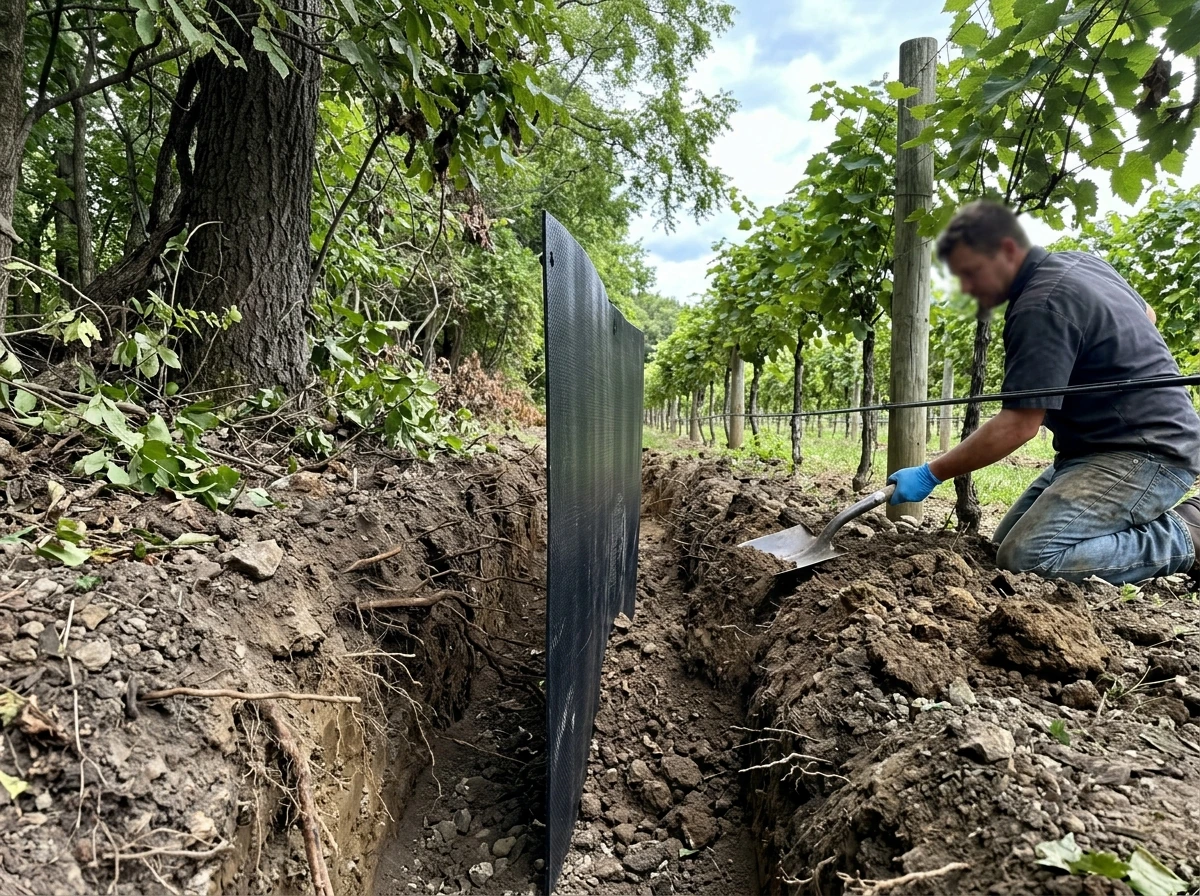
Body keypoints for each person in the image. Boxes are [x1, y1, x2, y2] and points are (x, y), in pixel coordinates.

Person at [887, 200, 1200, 585]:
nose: (968, 287)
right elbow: (1147, 314)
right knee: (1004, 548)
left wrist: (930, 473)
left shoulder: (1040, 306)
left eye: (971, 273)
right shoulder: (1081, 263)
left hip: (1147, 453)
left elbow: (1018, 426)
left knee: (1030, 557)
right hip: (1099, 448)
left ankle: (1188, 536)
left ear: (1006, 250)